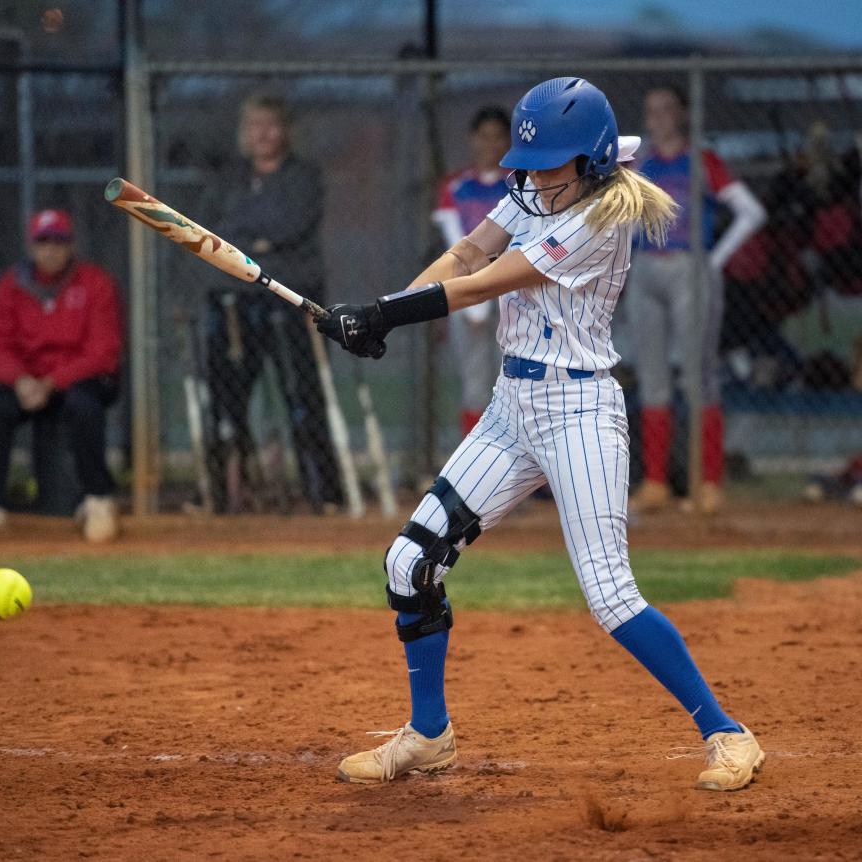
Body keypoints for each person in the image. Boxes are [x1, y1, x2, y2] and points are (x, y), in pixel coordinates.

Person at [317, 77, 765, 790]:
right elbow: (466, 255)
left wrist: (382, 315)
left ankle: (726, 731)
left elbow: (491, 280)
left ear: (588, 163)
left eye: (547, 165)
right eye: (526, 164)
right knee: (410, 564)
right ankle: (429, 736)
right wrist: (386, 311)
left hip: (577, 415)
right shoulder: (536, 186)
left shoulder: (600, 217)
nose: (528, 179)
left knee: (611, 596)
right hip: (511, 407)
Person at [628, 86, 766, 515]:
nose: (660, 118)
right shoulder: (639, 163)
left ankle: (708, 483)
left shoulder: (702, 161)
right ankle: (655, 483)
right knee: (652, 376)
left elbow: (751, 211)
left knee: (697, 375)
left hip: (690, 266)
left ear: (683, 114)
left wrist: (714, 260)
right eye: (653, 111)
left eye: (668, 109)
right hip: (645, 266)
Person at [204, 93, 341, 513]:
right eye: (253, 125)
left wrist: (255, 244)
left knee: (302, 395)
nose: (261, 134)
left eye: (270, 124)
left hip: (291, 299)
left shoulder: (303, 176)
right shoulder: (230, 177)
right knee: (226, 399)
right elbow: (222, 230)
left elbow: (291, 225)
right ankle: (229, 492)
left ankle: (321, 491)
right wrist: (260, 243)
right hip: (235, 304)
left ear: (285, 130)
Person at [0, 209, 122, 542]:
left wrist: (52, 382)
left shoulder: (94, 282)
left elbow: (103, 352)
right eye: (43, 242)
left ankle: (97, 499)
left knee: (85, 406)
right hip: (27, 380)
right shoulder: (11, 285)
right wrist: (22, 380)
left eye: (58, 241)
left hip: (76, 378)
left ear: (70, 245)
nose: (50, 250)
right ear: (31, 245)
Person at [432, 107, 511, 435]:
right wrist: (473, 300)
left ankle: (522, 473)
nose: (490, 144)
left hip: (509, 291)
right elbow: (456, 244)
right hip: (466, 293)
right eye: (483, 136)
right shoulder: (456, 186)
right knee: (475, 386)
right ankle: (476, 471)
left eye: (498, 137)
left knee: (511, 386)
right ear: (472, 140)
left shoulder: (518, 184)